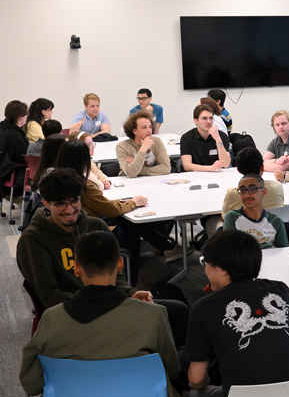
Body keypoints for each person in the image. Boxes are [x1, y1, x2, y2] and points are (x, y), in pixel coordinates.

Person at [19, 231, 197, 397]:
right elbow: (171, 370)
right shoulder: (153, 316)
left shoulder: (51, 319)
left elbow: (31, 383)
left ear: (76, 268)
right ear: (120, 264)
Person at [186, 230, 289, 397]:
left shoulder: (204, 307)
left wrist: (207, 384)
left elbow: (197, 379)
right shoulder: (280, 290)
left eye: (206, 263)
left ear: (222, 270)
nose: (205, 269)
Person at [16, 169, 141, 310]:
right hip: (72, 314)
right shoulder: (33, 239)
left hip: (108, 304)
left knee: (165, 312)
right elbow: (49, 296)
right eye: (60, 204)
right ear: (46, 203)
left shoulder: (97, 226)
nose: (69, 210)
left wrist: (131, 293)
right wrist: (97, 305)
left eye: (74, 200)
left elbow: (115, 275)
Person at [58, 140, 179, 282]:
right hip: (89, 230)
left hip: (78, 225)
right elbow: (110, 209)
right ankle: (132, 281)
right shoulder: (83, 185)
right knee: (131, 230)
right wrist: (133, 202)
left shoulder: (61, 178)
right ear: (83, 159)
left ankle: (164, 246)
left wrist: (126, 203)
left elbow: (105, 204)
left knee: (128, 220)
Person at [223, 175, 288, 248]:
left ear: (263, 192)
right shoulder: (232, 218)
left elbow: (284, 252)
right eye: (242, 190)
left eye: (252, 189)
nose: (247, 195)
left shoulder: (275, 221)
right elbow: (229, 251)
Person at [116, 110, 171, 177]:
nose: (149, 131)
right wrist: (143, 149)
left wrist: (140, 170)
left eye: (150, 127)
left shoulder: (157, 142)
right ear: (134, 131)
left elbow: (166, 168)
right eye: (144, 127)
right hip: (130, 183)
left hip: (152, 181)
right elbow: (131, 173)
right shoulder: (122, 147)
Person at [180, 104, 231, 172]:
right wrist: (210, 168)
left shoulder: (221, 136)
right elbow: (187, 165)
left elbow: (226, 164)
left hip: (217, 175)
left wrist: (218, 140)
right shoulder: (186, 138)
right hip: (196, 175)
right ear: (196, 121)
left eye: (211, 118)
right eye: (204, 118)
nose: (209, 122)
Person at [0, 100, 29, 190]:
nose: (27, 117)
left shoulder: (3, 129)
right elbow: (21, 157)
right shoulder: (15, 135)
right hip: (12, 174)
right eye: (26, 115)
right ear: (20, 117)